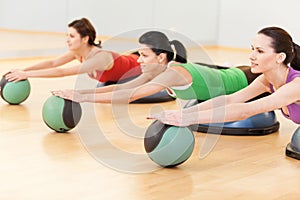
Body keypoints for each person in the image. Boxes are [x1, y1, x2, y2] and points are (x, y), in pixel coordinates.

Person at [148, 26, 300, 127]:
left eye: (260, 51)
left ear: (279, 58)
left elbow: (246, 111)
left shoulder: (295, 86)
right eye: (252, 49)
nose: (251, 56)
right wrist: (182, 113)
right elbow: (230, 99)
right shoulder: (267, 79)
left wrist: (189, 119)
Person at [51, 31, 260, 104]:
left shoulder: (171, 73)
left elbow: (131, 96)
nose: (138, 60)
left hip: (246, 79)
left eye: (143, 55)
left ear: (161, 57)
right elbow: (122, 88)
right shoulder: (158, 70)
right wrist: (78, 92)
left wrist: (84, 98)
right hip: (227, 75)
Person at [4, 18, 141, 84]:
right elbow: (53, 63)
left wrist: (27, 74)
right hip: (127, 63)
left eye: (72, 36)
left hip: (140, 67)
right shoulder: (78, 53)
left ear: (85, 39)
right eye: (67, 36)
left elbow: (62, 72)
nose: (67, 40)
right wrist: (22, 70)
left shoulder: (98, 58)